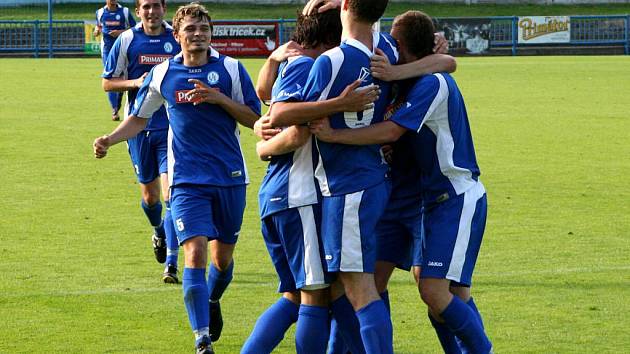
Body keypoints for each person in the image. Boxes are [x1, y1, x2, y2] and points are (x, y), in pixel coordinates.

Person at [309, 10, 493, 354]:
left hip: (453, 195)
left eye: (393, 41)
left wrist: (335, 134)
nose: (387, 45)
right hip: (410, 198)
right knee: (369, 285)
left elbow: (396, 126)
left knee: (441, 293)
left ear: (402, 45)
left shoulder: (431, 82)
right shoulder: (401, 76)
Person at [94, 3, 260, 353]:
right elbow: (139, 118)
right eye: (190, 29)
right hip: (186, 180)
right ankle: (202, 339)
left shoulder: (230, 69)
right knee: (195, 254)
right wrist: (110, 139)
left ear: (210, 33)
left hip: (229, 177)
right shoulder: (164, 74)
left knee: (222, 261)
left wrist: (218, 99)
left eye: (203, 28)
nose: (197, 34)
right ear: (178, 35)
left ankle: (212, 300)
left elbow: (253, 118)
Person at [242, 6, 378, 353]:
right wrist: (339, 103)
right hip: (297, 192)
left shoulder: (292, 63)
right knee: (314, 296)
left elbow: (266, 99)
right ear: (329, 40)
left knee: (306, 293)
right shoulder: (307, 65)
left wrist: (272, 63)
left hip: (282, 194)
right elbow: (296, 134)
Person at [101, 0, 180, 283]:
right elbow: (108, 82)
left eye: (156, 6)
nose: (152, 11)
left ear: (164, 8)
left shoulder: (177, 36)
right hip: (139, 129)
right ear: (138, 11)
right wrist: (137, 83)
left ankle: (171, 263)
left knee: (171, 195)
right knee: (150, 197)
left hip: (172, 128)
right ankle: (158, 230)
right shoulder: (127, 39)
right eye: (146, 6)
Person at [94, 0, 136, 121]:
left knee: (122, 79)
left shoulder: (125, 12)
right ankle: (114, 109)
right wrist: (97, 31)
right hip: (107, 50)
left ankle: (117, 104)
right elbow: (98, 26)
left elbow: (135, 29)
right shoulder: (100, 12)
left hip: (123, 49)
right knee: (109, 78)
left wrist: (120, 33)